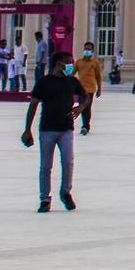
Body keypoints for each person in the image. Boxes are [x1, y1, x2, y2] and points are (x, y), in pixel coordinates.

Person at [22, 51, 86, 212]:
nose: (71, 66)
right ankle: (45, 198)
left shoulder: (72, 81)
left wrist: (81, 107)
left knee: (68, 162)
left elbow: (85, 96)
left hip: (66, 129)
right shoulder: (44, 82)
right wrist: (27, 130)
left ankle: (65, 192)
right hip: (47, 129)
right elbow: (33, 105)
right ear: (59, 63)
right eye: (68, 62)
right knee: (45, 166)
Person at [73, 43, 103, 134]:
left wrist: (99, 88)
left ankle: (86, 126)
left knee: (87, 107)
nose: (87, 51)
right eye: (86, 49)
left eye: (89, 49)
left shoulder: (95, 62)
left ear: (92, 51)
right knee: (82, 107)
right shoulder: (78, 62)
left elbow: (98, 76)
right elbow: (73, 73)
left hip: (90, 88)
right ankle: (85, 125)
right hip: (80, 88)